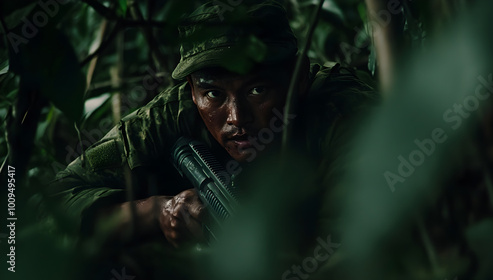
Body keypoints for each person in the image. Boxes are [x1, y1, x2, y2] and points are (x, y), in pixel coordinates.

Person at [47, 0, 377, 249]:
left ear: (300, 77)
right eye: (214, 94)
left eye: (257, 89)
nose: (237, 117)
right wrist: (159, 213)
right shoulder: (173, 113)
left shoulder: (343, 111)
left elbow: (366, 243)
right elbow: (57, 197)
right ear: (191, 91)